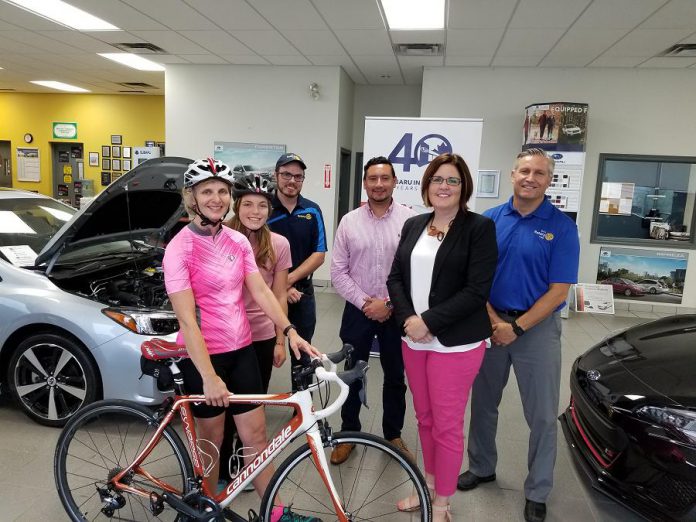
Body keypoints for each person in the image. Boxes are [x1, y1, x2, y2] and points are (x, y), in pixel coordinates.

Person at [163, 158, 321, 522]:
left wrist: (288, 330)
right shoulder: (180, 248)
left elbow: (264, 293)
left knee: (257, 436)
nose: (217, 198)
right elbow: (187, 319)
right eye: (207, 191)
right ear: (192, 197)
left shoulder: (236, 241)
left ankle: (274, 513)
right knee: (212, 442)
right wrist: (209, 376)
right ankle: (207, 506)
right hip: (205, 358)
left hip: (243, 349)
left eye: (222, 191)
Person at [458, 148, 580, 522]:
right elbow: (475, 281)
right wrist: (496, 322)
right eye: (525, 170)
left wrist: (518, 327)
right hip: (491, 324)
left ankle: (538, 489)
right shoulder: (489, 220)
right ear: (512, 174)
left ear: (549, 180)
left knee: (542, 414)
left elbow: (560, 291)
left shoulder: (561, 226)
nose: (531, 178)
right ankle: (481, 466)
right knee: (483, 403)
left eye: (540, 173)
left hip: (537, 332)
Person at [387, 153, 498, 522]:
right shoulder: (415, 223)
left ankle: (444, 502)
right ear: (426, 185)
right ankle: (428, 489)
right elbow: (395, 278)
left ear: (464, 186)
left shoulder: (478, 228)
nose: (444, 187)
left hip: (457, 344)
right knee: (424, 419)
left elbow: (476, 290)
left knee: (447, 424)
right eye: (437, 180)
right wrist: (408, 320)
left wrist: (429, 322)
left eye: (452, 180)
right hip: (414, 340)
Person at [329, 156, 416, 465]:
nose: (378, 184)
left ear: (394, 182)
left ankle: (393, 434)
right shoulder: (349, 221)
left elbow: (413, 271)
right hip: (358, 311)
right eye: (373, 179)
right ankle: (348, 431)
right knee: (352, 373)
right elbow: (338, 272)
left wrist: (389, 304)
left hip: (398, 312)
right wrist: (367, 304)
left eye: (385, 178)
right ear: (365, 183)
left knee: (395, 375)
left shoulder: (410, 220)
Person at [218, 173, 291, 484]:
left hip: (260, 336)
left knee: (252, 408)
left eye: (262, 205)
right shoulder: (218, 238)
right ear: (237, 206)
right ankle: (220, 471)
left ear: (270, 210)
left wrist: (279, 341)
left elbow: (278, 294)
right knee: (222, 409)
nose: (255, 211)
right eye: (248, 204)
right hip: (225, 336)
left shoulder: (279, 244)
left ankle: (246, 465)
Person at [268, 153, 327, 389]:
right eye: (286, 175)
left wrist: (289, 281)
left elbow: (319, 253)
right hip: (267, 295)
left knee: (303, 354)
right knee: (266, 351)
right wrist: (281, 287)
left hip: (302, 294)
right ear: (276, 175)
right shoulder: (264, 208)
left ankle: (302, 410)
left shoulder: (312, 210)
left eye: (298, 176)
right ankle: (252, 411)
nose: (292, 181)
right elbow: (254, 253)